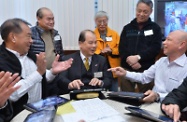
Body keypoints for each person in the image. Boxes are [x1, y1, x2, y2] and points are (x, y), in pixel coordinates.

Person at [0, 18, 73, 116]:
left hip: (39, 111)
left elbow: (41, 77)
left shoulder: (31, 55)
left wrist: (52, 72)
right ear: (13, 37)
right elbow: (12, 94)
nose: (32, 41)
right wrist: (38, 72)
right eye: (28, 36)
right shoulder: (2, 61)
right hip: (18, 116)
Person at [108, 30, 187, 103]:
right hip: (152, 105)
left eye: (169, 40)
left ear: (181, 45)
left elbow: (182, 96)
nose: (164, 43)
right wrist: (125, 73)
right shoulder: (161, 61)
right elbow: (144, 77)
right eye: (165, 39)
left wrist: (158, 96)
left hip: (173, 109)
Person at [119, 0, 162, 92]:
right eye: (139, 11)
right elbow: (122, 48)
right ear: (136, 10)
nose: (141, 14)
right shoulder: (127, 28)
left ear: (151, 11)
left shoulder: (155, 28)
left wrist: (139, 58)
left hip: (146, 70)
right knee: (125, 98)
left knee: (146, 99)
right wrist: (131, 62)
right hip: (126, 69)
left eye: (145, 12)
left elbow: (155, 48)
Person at [57, 30, 112, 94]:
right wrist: (70, 84)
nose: (94, 46)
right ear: (80, 44)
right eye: (90, 43)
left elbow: (108, 80)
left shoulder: (101, 60)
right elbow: (61, 79)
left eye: (95, 42)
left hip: (96, 96)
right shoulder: (68, 59)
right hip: (75, 96)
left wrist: (101, 82)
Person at [30, 7, 64, 95]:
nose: (52, 22)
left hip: (56, 76)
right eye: (48, 19)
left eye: (53, 19)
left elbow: (61, 54)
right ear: (38, 18)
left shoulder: (56, 34)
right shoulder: (30, 34)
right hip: (39, 77)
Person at [94, 11, 120, 92]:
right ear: (95, 21)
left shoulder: (114, 34)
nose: (102, 23)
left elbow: (120, 49)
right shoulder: (92, 34)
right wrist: (101, 51)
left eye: (104, 21)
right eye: (99, 21)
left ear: (107, 21)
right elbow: (89, 49)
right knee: (100, 90)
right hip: (98, 66)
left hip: (112, 67)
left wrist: (111, 50)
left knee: (114, 92)